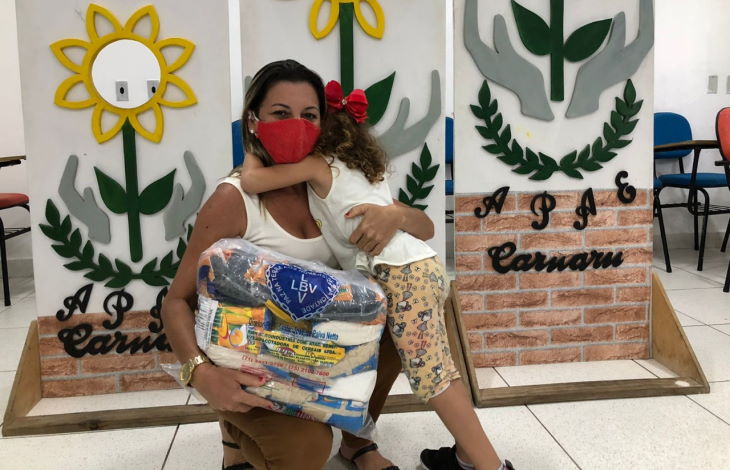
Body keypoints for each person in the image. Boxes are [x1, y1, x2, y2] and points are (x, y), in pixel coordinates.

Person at [161, 59, 437, 470]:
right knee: (307, 448)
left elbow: (426, 226)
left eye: (309, 115)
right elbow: (175, 302)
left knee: (409, 318)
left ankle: (357, 441)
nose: (296, 125)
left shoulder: (331, 183)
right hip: (255, 361)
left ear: (324, 122)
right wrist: (200, 373)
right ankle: (232, 432)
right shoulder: (234, 200)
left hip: (322, 350)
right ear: (253, 122)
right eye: (280, 113)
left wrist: (395, 215)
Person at [239, 81, 514, 470]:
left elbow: (251, 181)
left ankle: (490, 466)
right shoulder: (367, 172)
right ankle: (466, 456)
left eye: (309, 119)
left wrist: (252, 146)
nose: (298, 129)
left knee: (433, 376)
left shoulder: (319, 165)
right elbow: (426, 229)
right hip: (422, 267)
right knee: (439, 368)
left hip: (400, 275)